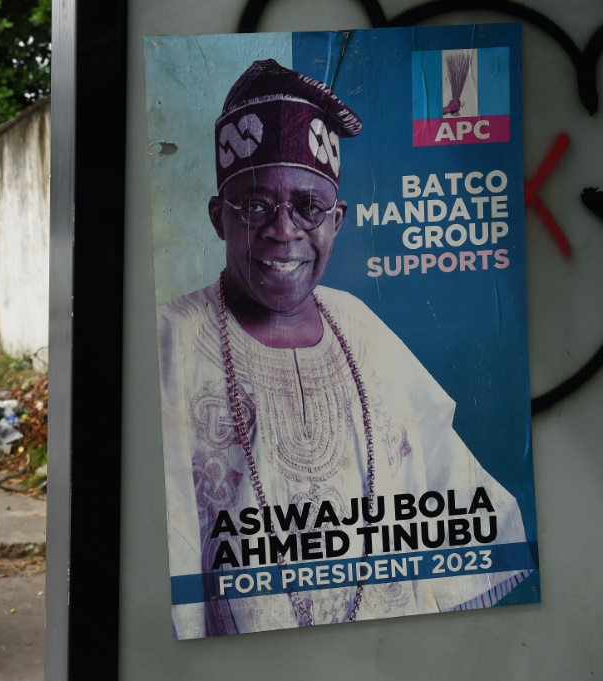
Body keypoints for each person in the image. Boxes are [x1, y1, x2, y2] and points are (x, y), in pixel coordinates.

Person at [157, 60, 529, 638]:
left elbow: (455, 499)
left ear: (338, 220)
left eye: (308, 207)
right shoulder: (169, 341)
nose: (284, 231)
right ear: (217, 218)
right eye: (255, 206)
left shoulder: (361, 326)